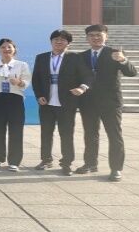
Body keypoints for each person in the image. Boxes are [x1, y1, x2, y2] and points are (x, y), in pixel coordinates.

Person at [77, 24, 137, 182]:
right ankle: (90, 164)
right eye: (92, 35)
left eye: (99, 34)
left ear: (106, 36)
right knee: (90, 134)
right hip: (88, 102)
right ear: (87, 38)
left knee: (114, 135)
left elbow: (131, 72)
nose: (95, 38)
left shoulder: (115, 53)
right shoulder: (81, 56)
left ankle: (116, 169)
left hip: (110, 102)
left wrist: (123, 60)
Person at [32, 29, 93, 176]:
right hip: (46, 103)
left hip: (67, 102)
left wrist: (82, 88)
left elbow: (87, 76)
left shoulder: (75, 58)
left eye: (63, 39)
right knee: (46, 132)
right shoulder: (41, 57)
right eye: (56, 39)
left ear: (68, 43)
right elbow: (36, 79)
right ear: (51, 41)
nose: (59, 42)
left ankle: (66, 163)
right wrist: (39, 95)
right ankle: (46, 159)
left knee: (66, 134)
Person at [0, 38, 31, 172]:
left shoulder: (22, 65)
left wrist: (19, 82)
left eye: (9, 47)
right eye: (3, 47)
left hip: (15, 100)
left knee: (16, 131)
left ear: (14, 49)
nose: (6, 49)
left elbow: (26, 82)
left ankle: (14, 161)